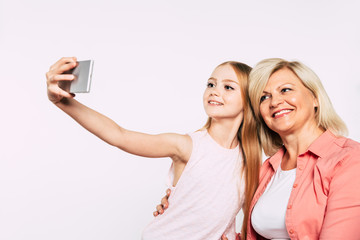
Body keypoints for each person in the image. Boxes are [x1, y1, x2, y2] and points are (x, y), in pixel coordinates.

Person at [46, 57, 261, 240]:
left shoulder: (249, 159)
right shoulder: (187, 145)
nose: (214, 92)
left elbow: (245, 220)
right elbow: (119, 136)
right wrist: (63, 103)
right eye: (211, 84)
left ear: (248, 100)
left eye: (228, 87)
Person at [156, 58, 360, 240]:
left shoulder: (349, 160)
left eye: (286, 90)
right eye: (264, 97)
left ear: (315, 97)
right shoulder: (267, 170)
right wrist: (185, 208)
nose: (275, 102)